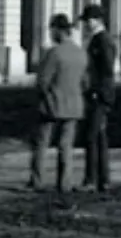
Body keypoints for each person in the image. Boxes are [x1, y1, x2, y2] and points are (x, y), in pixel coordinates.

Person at [29, 14, 89, 195]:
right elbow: (85, 81)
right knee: (66, 146)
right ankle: (65, 182)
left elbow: (43, 81)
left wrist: (42, 96)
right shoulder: (80, 53)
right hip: (74, 104)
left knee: (42, 144)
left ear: (57, 30)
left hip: (52, 104)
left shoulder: (54, 53)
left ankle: (37, 180)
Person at [80, 4, 118, 192]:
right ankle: (103, 179)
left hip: (99, 94)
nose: (86, 24)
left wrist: (97, 90)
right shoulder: (99, 39)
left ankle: (91, 179)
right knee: (100, 137)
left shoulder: (102, 40)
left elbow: (107, 69)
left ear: (97, 20)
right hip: (101, 92)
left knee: (91, 136)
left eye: (88, 20)